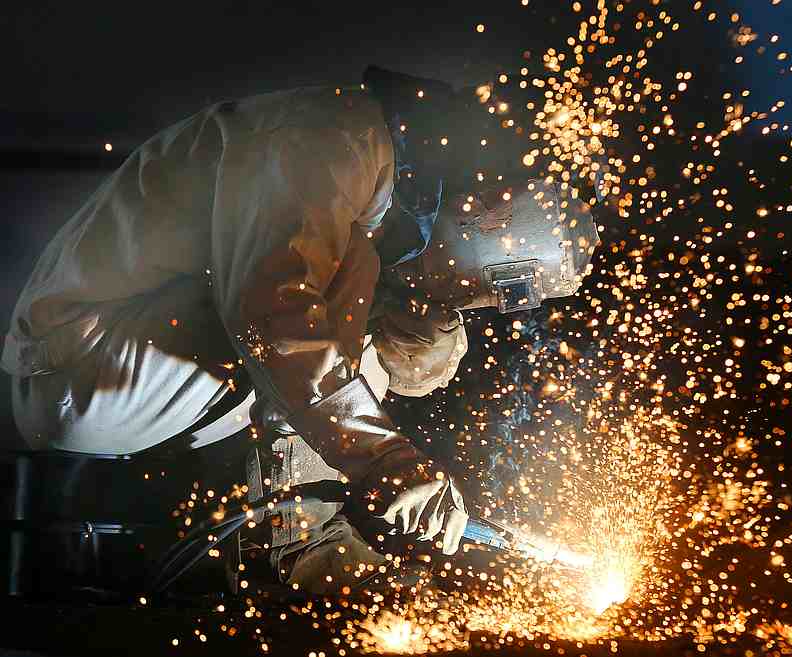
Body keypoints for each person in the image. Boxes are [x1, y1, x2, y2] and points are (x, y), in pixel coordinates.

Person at [2, 67, 597, 594]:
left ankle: (297, 531)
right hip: (80, 367)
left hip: (156, 384)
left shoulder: (397, 196)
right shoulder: (327, 139)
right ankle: (298, 543)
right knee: (338, 277)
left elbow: (407, 376)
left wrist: (429, 305)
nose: (491, 301)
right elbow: (273, 314)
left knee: (358, 290)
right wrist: (384, 457)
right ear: (491, 206)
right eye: (506, 284)